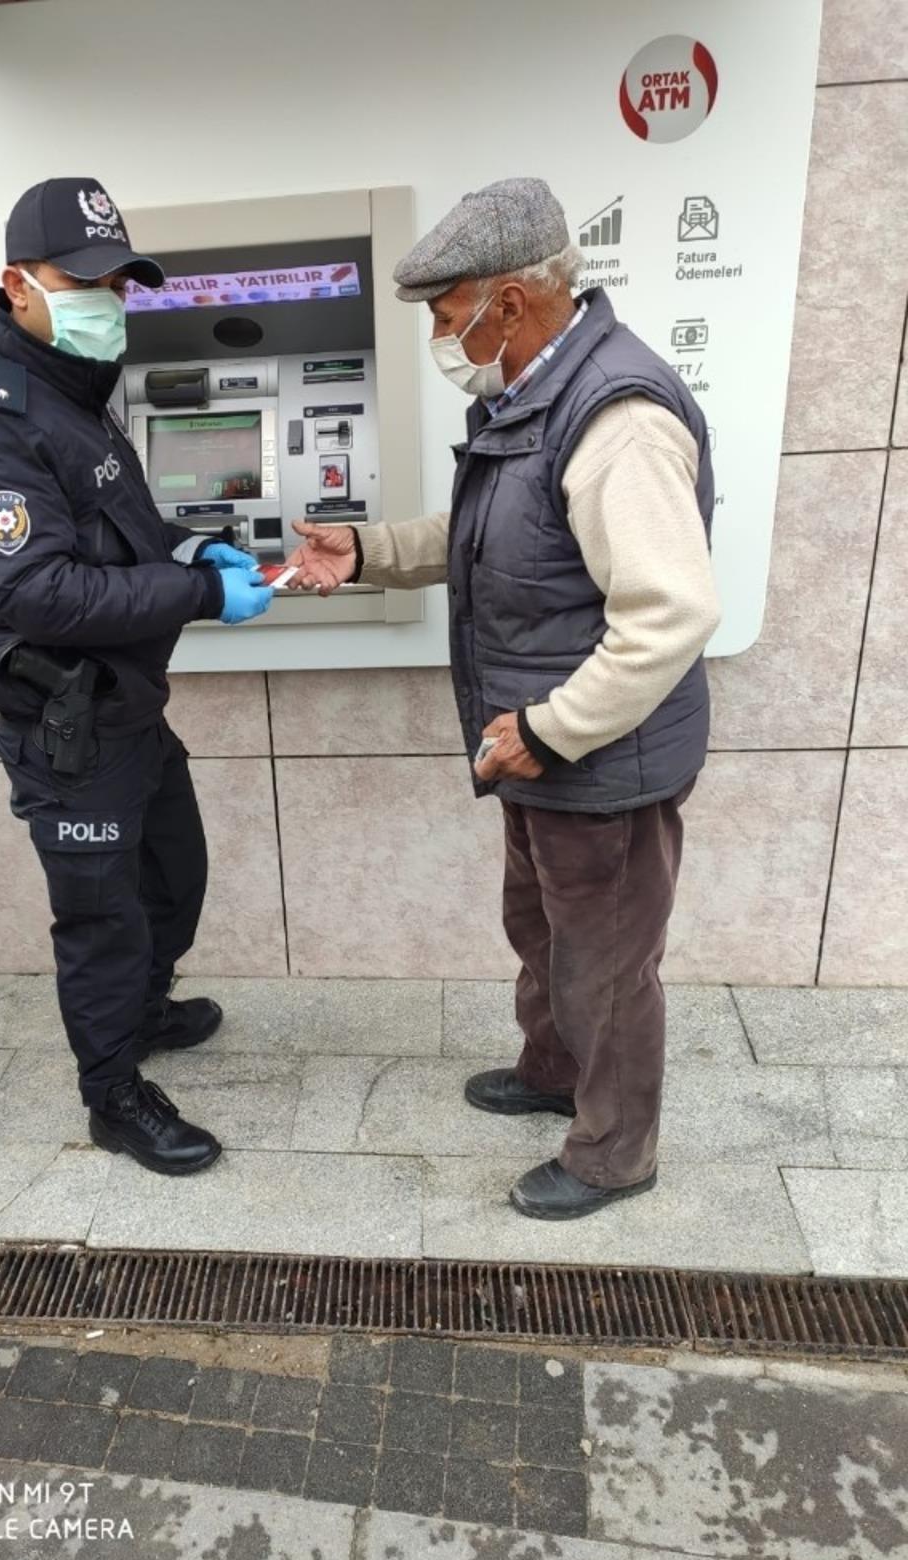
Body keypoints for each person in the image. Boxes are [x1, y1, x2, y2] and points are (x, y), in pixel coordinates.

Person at [289, 178, 720, 1221]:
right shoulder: (527, 398)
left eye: (447, 315)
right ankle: (553, 1073)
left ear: (510, 303)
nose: (444, 338)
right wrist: (367, 553)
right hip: (536, 749)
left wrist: (546, 729)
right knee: (542, 925)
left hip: (595, 757)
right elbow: (486, 539)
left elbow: (671, 613)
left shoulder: (616, 419)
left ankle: (616, 1152)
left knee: (607, 961)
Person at [0, 177, 273, 1177]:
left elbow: (117, 528)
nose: (106, 297)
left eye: (117, 279)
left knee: (175, 870)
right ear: (17, 285)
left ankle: (143, 1009)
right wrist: (198, 597)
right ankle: (113, 1095)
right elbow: (45, 595)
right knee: (102, 916)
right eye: (83, 280)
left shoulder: (69, 390)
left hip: (123, 705)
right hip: (63, 719)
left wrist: (191, 550)